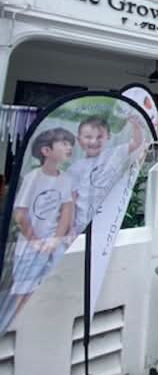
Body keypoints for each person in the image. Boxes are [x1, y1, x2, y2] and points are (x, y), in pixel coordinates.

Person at [9, 128, 77, 313]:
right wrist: (36, 242)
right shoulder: (33, 178)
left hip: (55, 245)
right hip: (30, 246)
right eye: (63, 143)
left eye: (70, 144)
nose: (69, 147)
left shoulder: (65, 179)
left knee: (50, 291)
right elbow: (20, 215)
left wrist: (56, 239)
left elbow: (67, 210)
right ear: (46, 151)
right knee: (24, 293)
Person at [68, 115, 144, 236]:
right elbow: (71, 199)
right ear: (79, 140)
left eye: (99, 137)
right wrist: (70, 226)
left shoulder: (114, 154)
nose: (94, 141)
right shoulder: (76, 168)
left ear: (108, 137)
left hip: (106, 221)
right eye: (88, 137)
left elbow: (136, 142)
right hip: (82, 223)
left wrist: (136, 125)